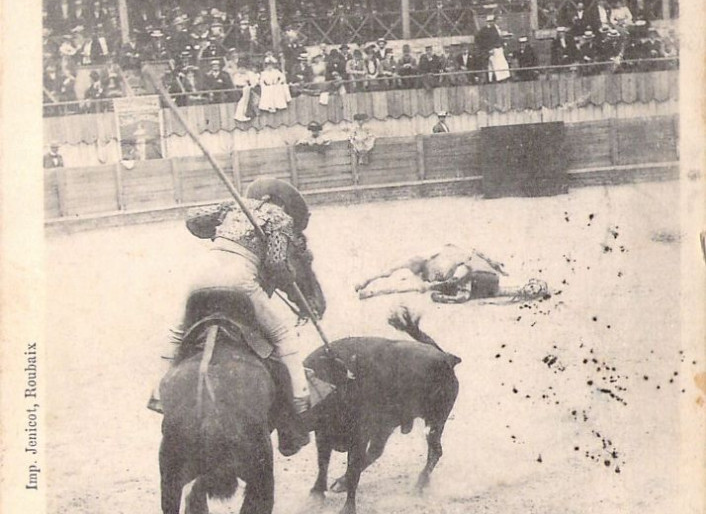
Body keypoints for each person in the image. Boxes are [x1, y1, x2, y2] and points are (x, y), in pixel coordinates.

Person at [148, 178, 315, 457]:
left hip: (201, 275)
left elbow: (193, 221)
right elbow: (276, 265)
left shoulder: (233, 206)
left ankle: (157, 393)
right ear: (283, 203)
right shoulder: (280, 218)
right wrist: (285, 278)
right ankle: (299, 397)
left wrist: (227, 217)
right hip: (239, 281)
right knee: (283, 333)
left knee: (177, 333)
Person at [355, 243, 507, 299]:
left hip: (443, 267)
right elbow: (475, 253)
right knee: (401, 267)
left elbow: (462, 278)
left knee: (415, 285)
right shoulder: (471, 263)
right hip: (441, 256)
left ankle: (374, 289)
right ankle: (369, 280)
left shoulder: (470, 275)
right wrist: (494, 263)